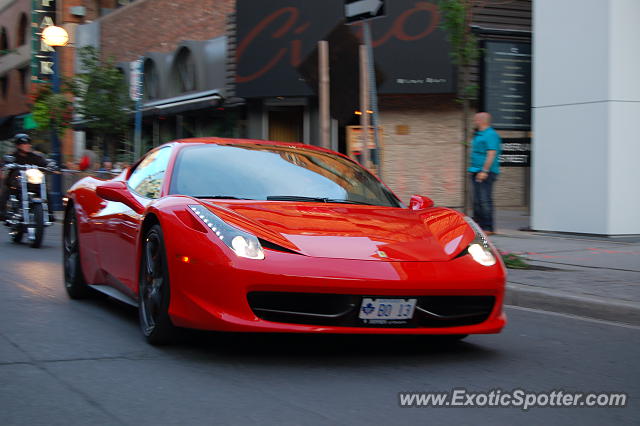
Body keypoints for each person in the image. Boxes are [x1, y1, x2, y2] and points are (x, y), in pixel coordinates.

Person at [0, 133, 50, 221]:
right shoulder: (12, 156)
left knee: (45, 190)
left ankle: (50, 213)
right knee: (6, 190)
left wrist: (50, 165)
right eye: (23, 144)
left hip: (32, 182)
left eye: (27, 143)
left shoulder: (35, 156)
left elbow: (44, 162)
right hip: (16, 182)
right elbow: (5, 163)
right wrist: (6, 164)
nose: (26, 145)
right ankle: (2, 212)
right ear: (18, 145)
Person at [468, 112, 501, 235]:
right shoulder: (478, 134)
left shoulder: (491, 134)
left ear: (482, 121)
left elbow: (491, 154)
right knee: (476, 200)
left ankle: (488, 227)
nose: (475, 122)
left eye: (476, 120)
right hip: (475, 170)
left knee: (484, 200)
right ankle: (479, 226)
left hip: (485, 172)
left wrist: (485, 171)